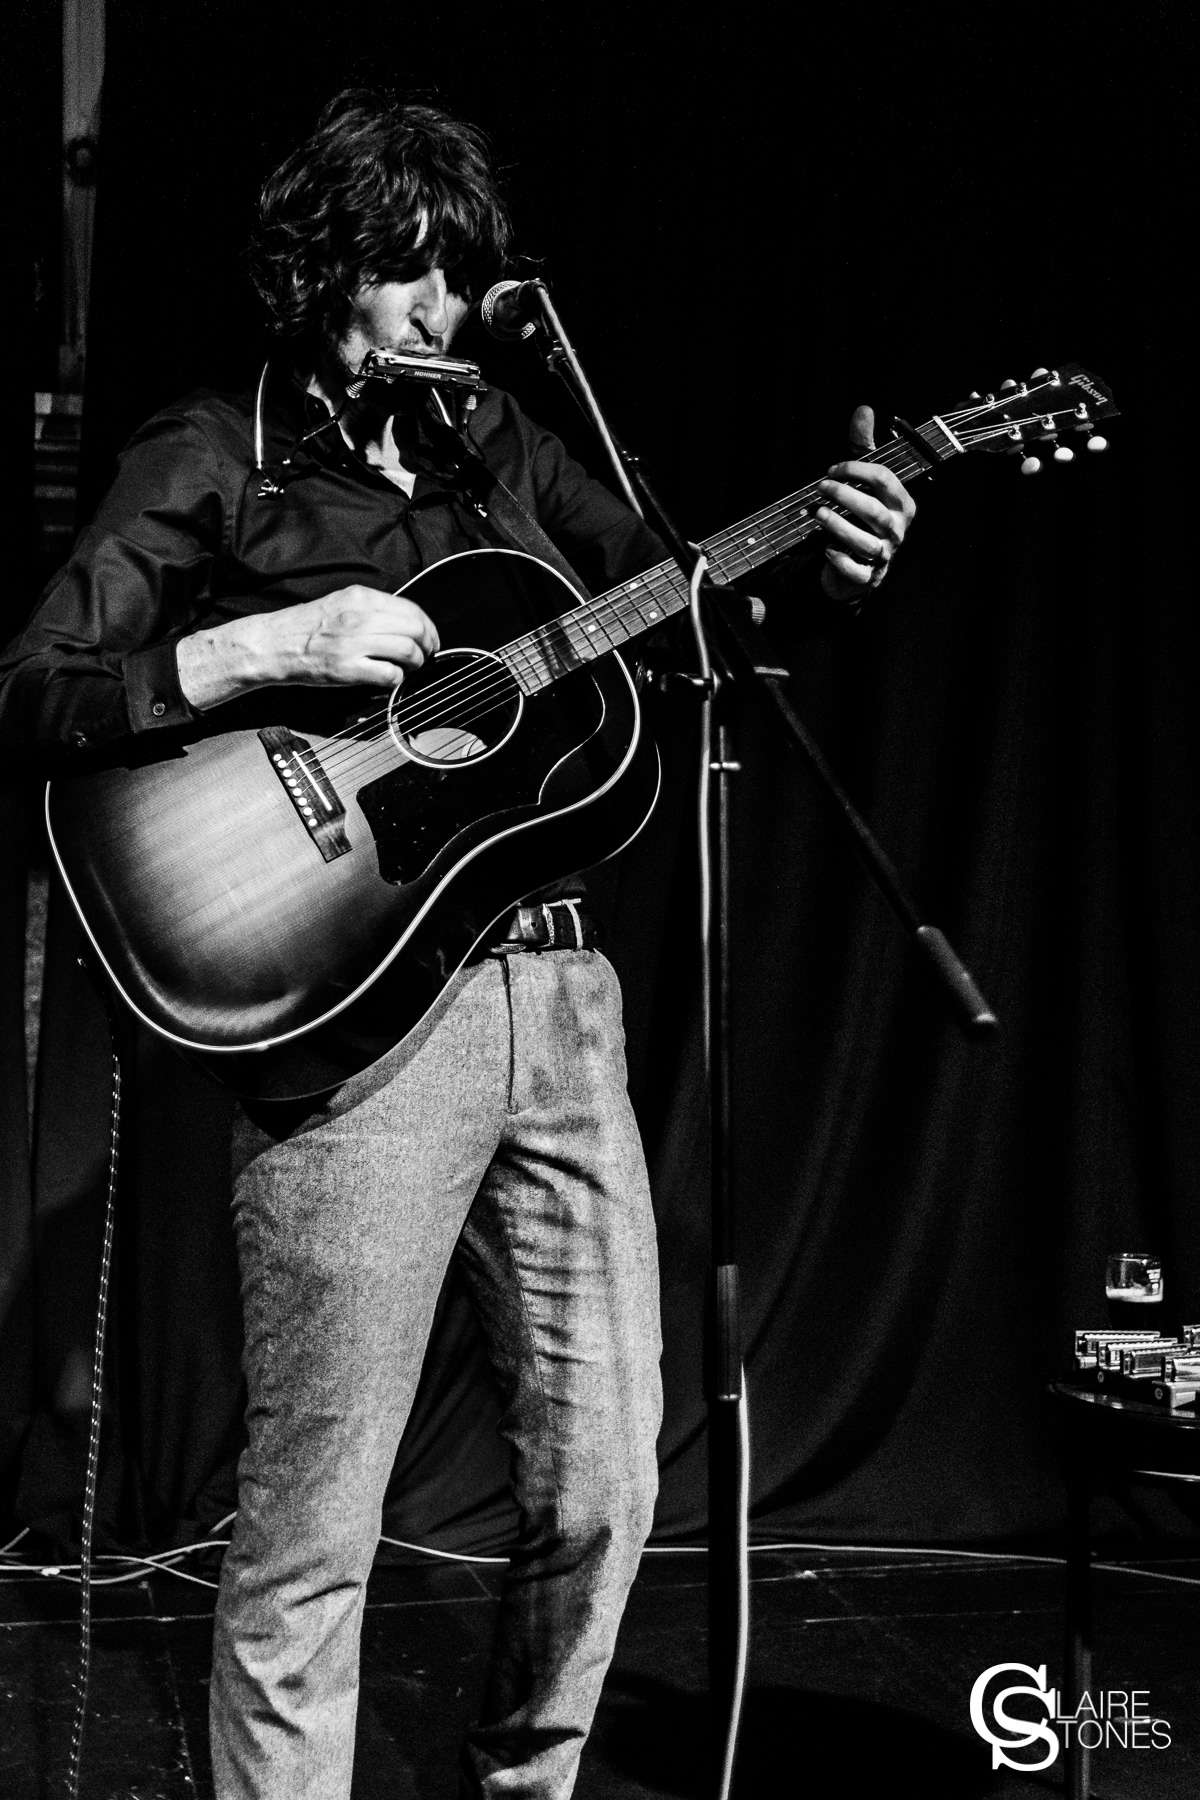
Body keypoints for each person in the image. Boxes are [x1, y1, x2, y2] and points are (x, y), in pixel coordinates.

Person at [0, 92, 915, 1800]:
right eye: (402, 273)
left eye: (457, 275)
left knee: (606, 1478)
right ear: (318, 273)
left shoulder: (504, 442)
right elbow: (32, 691)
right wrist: (265, 647)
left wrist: (827, 568)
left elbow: (683, 598)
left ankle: (527, 1781)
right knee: (314, 1531)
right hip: (363, 1046)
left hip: (560, 1006)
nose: (439, 310)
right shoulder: (214, 447)